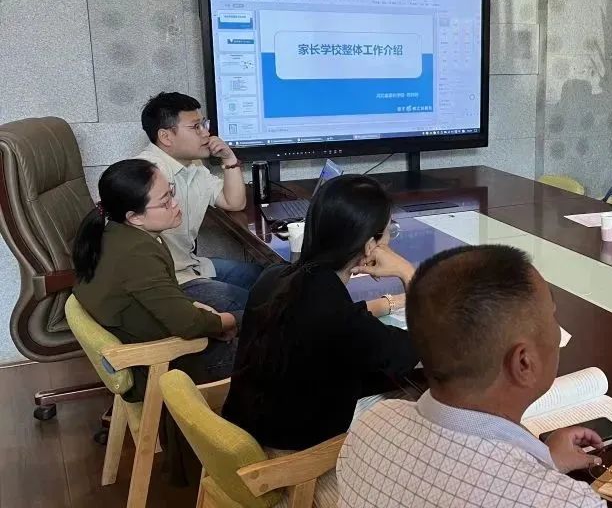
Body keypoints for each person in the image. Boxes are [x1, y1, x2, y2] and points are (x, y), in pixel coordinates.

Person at [337, 244, 612, 508]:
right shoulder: (560, 501)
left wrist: (543, 458)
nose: (557, 331)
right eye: (553, 318)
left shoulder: (372, 424)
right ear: (524, 363)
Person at [222, 175, 418, 506]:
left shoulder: (278, 277)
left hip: (249, 426)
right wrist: (407, 273)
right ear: (370, 246)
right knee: (413, 398)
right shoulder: (335, 314)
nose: (390, 239)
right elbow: (422, 348)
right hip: (295, 452)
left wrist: (382, 305)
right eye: (389, 232)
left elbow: (328, 324)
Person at [72, 159, 237, 402]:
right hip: (161, 366)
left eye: (171, 192)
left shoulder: (114, 234)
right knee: (273, 337)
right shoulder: (138, 254)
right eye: (165, 201)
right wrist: (229, 321)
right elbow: (189, 325)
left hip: (152, 345)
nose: (175, 203)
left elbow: (166, 300)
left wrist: (204, 314)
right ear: (135, 217)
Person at [136, 92, 261, 323]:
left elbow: (234, 202)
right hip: (171, 282)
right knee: (256, 305)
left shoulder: (193, 166)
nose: (206, 133)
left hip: (192, 266)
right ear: (166, 136)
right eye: (196, 127)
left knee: (266, 277)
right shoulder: (146, 175)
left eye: (204, 124)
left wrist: (229, 159)